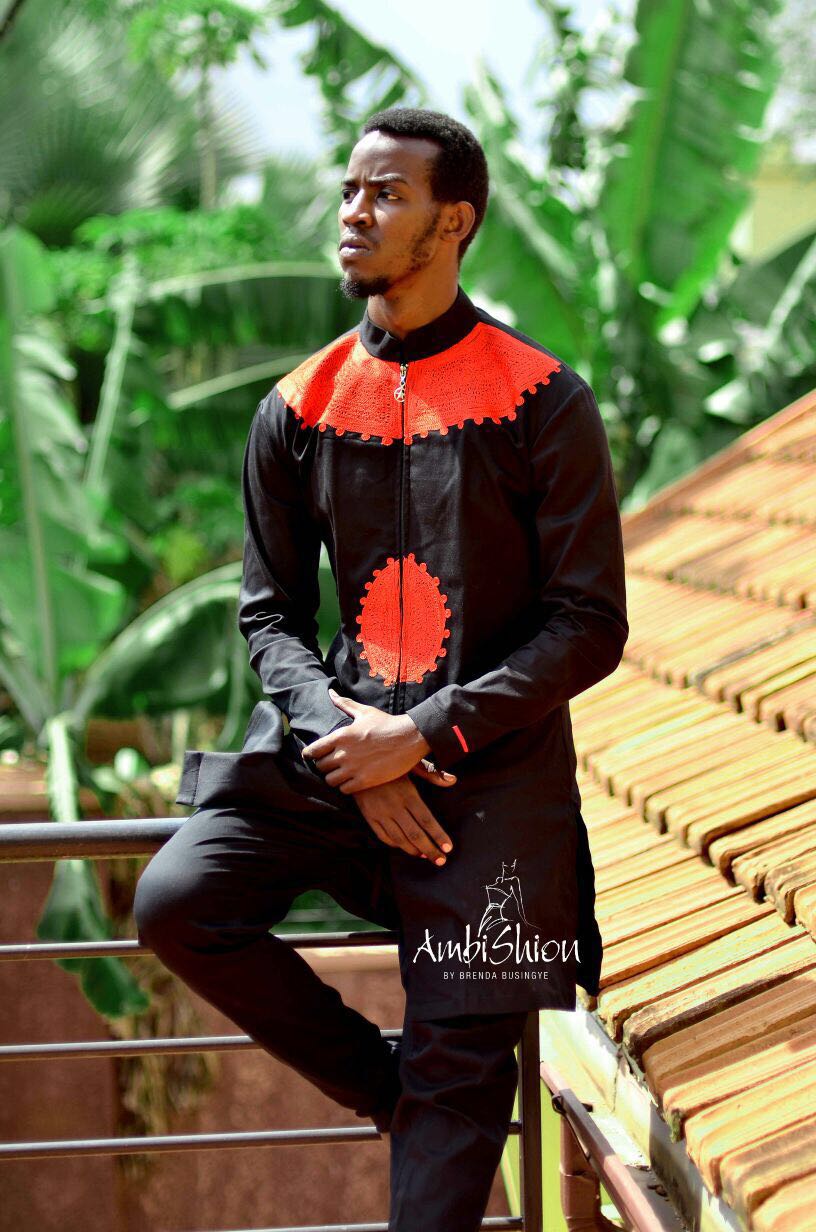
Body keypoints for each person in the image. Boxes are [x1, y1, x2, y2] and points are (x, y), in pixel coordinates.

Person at [134, 106, 628, 1231]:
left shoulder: (543, 400)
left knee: (452, 1134)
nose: (354, 212)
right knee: (177, 902)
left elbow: (590, 623)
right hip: (330, 767)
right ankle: (389, 1089)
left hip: (494, 797)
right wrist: (351, 744)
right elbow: (268, 614)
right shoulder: (297, 406)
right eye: (351, 189)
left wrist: (425, 732)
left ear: (455, 222)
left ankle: (433, 1103)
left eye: (388, 193)